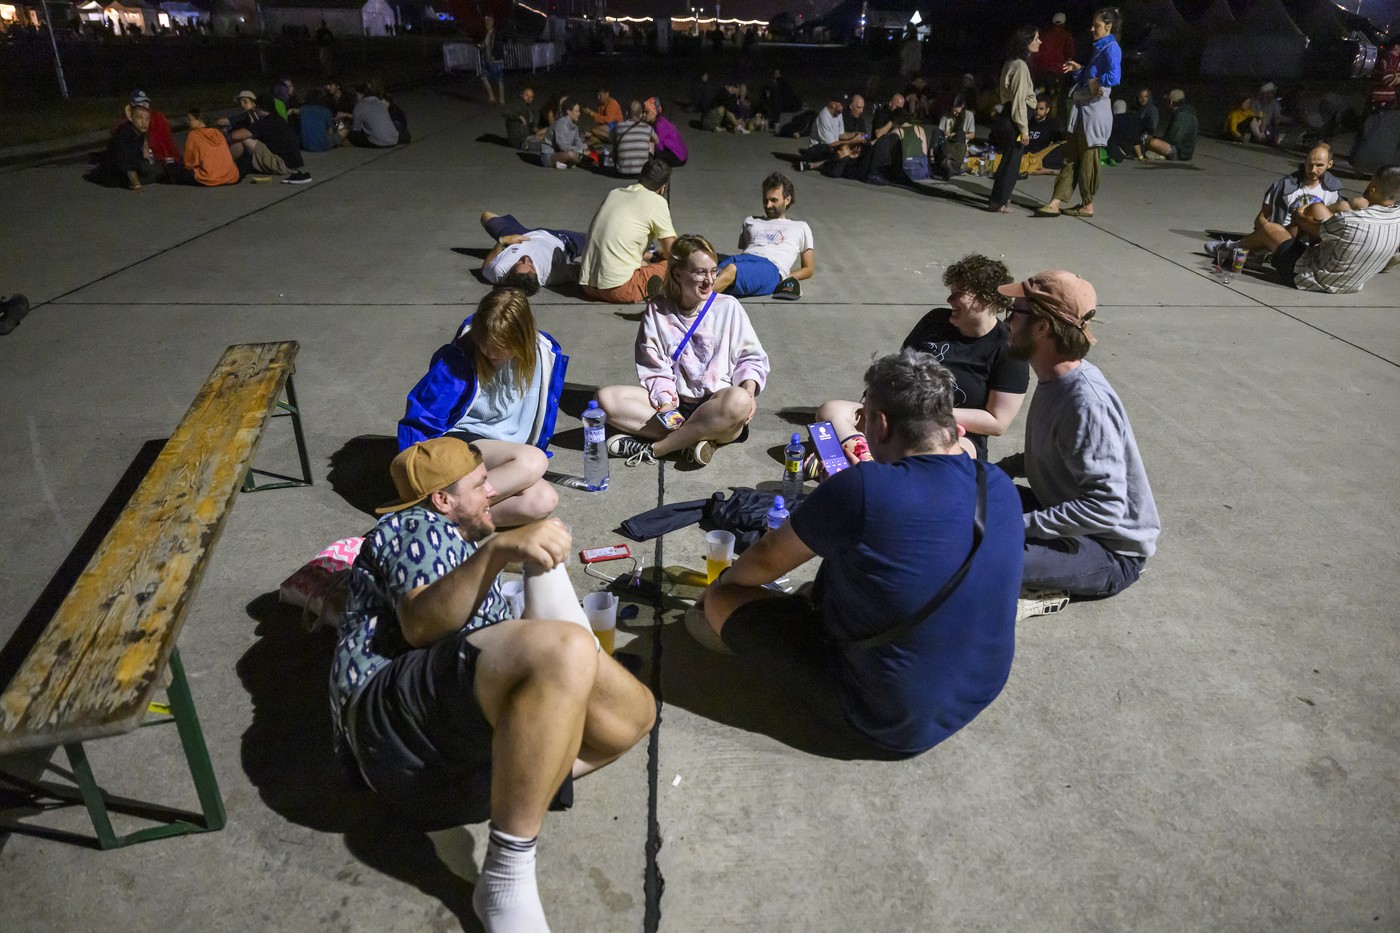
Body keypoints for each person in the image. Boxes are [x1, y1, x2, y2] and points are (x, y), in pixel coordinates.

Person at [331, 436, 655, 932]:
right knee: (565, 649)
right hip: (388, 731)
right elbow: (420, 625)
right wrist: (500, 549)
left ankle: (521, 775)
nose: (492, 494)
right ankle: (506, 876)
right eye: (481, 485)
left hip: (451, 774)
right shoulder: (407, 525)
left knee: (634, 713)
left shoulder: (458, 548)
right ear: (443, 500)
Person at [694, 349, 1023, 759]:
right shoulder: (995, 483)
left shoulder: (864, 487)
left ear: (881, 425)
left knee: (720, 601)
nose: (861, 428)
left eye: (862, 418)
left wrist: (718, 589)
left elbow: (760, 563)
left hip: (889, 718)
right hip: (979, 689)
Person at [995, 270, 1160, 598]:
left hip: (1109, 551)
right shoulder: (1053, 379)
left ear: (1042, 326)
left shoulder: (1084, 402)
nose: (1006, 322)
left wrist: (1022, 527)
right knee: (964, 495)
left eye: (1015, 313)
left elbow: (1107, 505)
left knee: (984, 558)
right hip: (1060, 510)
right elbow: (1056, 452)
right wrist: (1000, 471)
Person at [817, 253, 1028, 466]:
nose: (949, 300)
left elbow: (997, 423)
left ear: (986, 298)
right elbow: (899, 370)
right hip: (901, 415)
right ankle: (865, 462)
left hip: (956, 431)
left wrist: (927, 413)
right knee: (832, 411)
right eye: (951, 292)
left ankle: (851, 463)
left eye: (959, 293)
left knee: (947, 458)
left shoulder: (1007, 348)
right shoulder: (935, 320)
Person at [596, 234, 769, 467]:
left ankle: (656, 449)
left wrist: (748, 391)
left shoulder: (728, 307)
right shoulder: (658, 310)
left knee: (738, 401)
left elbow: (751, 358)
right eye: (700, 272)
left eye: (713, 271)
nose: (709, 280)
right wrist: (667, 404)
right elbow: (653, 367)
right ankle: (696, 439)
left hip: (718, 405)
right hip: (674, 405)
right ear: (678, 273)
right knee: (606, 398)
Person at [398, 290, 566, 526]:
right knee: (533, 461)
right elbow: (422, 418)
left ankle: (445, 523)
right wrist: (417, 476)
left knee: (542, 500)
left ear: (522, 338)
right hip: (458, 443)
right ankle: (437, 508)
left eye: (501, 346)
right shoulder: (458, 359)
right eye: (485, 343)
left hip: (503, 453)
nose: (490, 352)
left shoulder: (544, 353)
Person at [1209, 167, 1400, 295]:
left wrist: (1299, 214)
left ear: (1373, 189)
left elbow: (1314, 228)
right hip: (1352, 284)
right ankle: (1262, 253)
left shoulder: (1351, 221)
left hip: (1311, 277)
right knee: (1329, 208)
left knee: (1271, 229)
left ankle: (1228, 248)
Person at [1036, 7, 1121, 218]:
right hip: (1082, 111)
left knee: (1088, 161)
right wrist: (1079, 70)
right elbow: (1090, 76)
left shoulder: (1111, 48)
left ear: (1108, 27)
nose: (1092, 28)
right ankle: (1055, 201)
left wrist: (1096, 81)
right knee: (1071, 157)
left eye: (1097, 25)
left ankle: (1087, 204)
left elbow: (1114, 76)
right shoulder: (1099, 47)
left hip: (1094, 112)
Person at [1204, 144, 1350, 259]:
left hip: (1316, 241)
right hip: (1286, 235)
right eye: (1309, 164)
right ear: (1304, 162)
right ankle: (1232, 247)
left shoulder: (1333, 190)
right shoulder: (1285, 186)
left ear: (1329, 165)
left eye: (1319, 165)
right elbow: (1260, 218)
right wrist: (1268, 230)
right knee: (1283, 225)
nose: (1313, 169)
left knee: (1337, 207)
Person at [578, 159, 676, 303]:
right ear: (662, 188)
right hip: (619, 288)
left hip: (588, 286)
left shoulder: (614, 193)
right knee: (679, 266)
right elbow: (672, 253)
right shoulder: (656, 201)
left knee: (646, 262)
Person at [712, 172, 814, 298]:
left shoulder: (800, 227)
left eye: (774, 200)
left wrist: (784, 278)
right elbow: (747, 252)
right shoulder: (750, 221)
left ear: (787, 199)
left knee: (732, 270)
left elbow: (808, 269)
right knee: (706, 268)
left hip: (771, 268)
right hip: (743, 259)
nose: (768, 205)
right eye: (765, 200)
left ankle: (694, 302)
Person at [989, 25, 1041, 213]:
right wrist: (1024, 130)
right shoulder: (1020, 66)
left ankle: (1000, 198)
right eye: (1036, 39)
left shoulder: (1010, 62)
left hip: (1010, 115)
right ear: (1026, 42)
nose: (1039, 42)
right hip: (1016, 118)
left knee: (1009, 159)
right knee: (1012, 161)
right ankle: (999, 201)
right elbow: (1019, 100)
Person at [478, 211, 587, 293]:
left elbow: (486, 267)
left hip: (520, 235)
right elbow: (581, 271)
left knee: (486, 216)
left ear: (510, 273)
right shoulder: (550, 275)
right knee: (596, 238)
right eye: (531, 266)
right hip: (561, 240)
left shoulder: (498, 272)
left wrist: (502, 241)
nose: (525, 259)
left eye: (519, 263)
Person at [224, 89, 314, 182]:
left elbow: (235, 135)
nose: (254, 108)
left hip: (282, 165)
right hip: (292, 163)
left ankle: (224, 164)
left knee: (244, 139)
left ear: (261, 107)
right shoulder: (277, 119)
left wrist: (226, 136)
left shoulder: (266, 122)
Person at [87, 98, 159, 192]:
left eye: (147, 119)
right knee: (155, 175)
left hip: (122, 166)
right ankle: (96, 168)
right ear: (131, 118)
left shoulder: (138, 131)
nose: (144, 122)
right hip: (113, 174)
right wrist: (137, 185)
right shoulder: (126, 135)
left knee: (156, 170)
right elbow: (128, 165)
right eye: (139, 118)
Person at [166, 108, 240, 187]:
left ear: (199, 121)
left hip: (210, 178)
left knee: (171, 167)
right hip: (229, 176)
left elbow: (188, 162)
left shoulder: (194, 134)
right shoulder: (218, 132)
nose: (187, 122)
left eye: (190, 119)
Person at [1136, 88, 1197, 162]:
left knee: (1152, 142)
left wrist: (1158, 140)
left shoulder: (1181, 116)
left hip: (1180, 153)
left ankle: (1159, 154)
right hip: (1182, 150)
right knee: (1151, 140)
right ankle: (1155, 152)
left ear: (1171, 102)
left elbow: (1174, 139)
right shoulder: (1183, 112)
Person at [1032, 11, 1076, 111]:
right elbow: (1070, 54)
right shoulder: (1066, 35)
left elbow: (1037, 54)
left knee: (1041, 98)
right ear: (1064, 23)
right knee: (1054, 99)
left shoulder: (1045, 35)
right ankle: (1052, 123)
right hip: (1057, 73)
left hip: (1042, 72)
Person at [347, 84, 403, 148]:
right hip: (394, 139)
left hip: (379, 142)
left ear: (362, 94)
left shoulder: (359, 106)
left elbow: (357, 128)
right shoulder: (379, 101)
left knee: (352, 135)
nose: (357, 97)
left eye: (357, 95)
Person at [610, 101, 657, 176]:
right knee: (651, 141)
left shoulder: (618, 126)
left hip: (621, 172)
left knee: (616, 141)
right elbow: (656, 141)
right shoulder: (648, 128)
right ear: (641, 115)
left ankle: (622, 161)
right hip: (642, 173)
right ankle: (647, 165)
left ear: (626, 113)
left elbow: (611, 138)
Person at [539, 98, 584, 169]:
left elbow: (578, 142)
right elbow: (563, 147)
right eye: (577, 111)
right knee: (570, 154)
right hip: (549, 155)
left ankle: (564, 163)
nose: (579, 113)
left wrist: (582, 150)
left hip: (560, 153)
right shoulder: (561, 124)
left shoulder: (574, 126)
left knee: (587, 151)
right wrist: (579, 151)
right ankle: (571, 162)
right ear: (569, 112)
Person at [937, 95, 976, 176]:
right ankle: (947, 165)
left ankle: (951, 166)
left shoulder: (969, 115)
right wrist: (944, 133)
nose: (954, 113)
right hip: (946, 144)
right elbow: (939, 131)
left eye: (956, 111)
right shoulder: (946, 115)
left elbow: (972, 135)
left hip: (959, 145)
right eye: (953, 110)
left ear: (962, 106)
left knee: (960, 134)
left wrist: (953, 135)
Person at [1025, 94, 1066, 172]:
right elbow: (1019, 139)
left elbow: (1058, 143)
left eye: (1041, 109)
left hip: (1039, 156)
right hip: (1024, 155)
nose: (1037, 111)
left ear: (1047, 110)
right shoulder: (1027, 123)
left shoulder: (1052, 125)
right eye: (1036, 109)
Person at [643, 97, 687, 167]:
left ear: (654, 113)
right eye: (643, 112)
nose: (644, 115)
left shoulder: (660, 126)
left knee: (650, 152)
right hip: (679, 154)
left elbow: (658, 146)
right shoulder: (660, 121)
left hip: (678, 157)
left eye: (647, 112)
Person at [505, 86, 546, 150]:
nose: (529, 98)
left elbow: (534, 128)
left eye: (531, 97)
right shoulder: (517, 103)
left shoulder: (528, 111)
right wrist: (519, 116)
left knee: (549, 132)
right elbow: (505, 111)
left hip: (526, 137)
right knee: (548, 143)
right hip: (520, 141)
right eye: (526, 95)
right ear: (521, 95)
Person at [478, 15, 504, 104]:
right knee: (483, 77)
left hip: (495, 60)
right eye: (486, 21)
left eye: (489, 21)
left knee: (499, 80)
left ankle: (502, 98)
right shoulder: (485, 34)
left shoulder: (496, 34)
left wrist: (494, 55)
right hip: (486, 60)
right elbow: (483, 46)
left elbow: (499, 45)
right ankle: (491, 96)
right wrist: (481, 47)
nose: (487, 23)